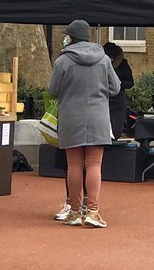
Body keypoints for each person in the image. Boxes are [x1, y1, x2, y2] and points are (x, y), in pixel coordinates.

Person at [48, 20, 120, 228]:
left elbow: (53, 91)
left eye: (66, 35)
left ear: (71, 38)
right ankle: (93, 212)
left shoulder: (62, 61)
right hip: (98, 116)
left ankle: (74, 211)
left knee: (74, 165)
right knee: (94, 164)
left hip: (71, 117)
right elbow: (115, 88)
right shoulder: (104, 60)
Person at [103, 42, 135, 140]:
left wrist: (117, 84)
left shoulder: (123, 64)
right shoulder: (100, 63)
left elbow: (130, 82)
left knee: (116, 128)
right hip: (103, 99)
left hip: (117, 101)